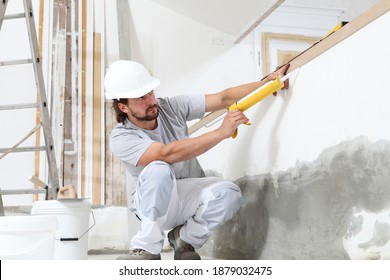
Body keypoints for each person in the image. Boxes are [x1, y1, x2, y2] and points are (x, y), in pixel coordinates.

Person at [105, 60, 289, 260]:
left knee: (230, 193)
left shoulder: (171, 107)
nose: (150, 100)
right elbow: (165, 154)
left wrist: (267, 83)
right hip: (155, 205)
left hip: (187, 195)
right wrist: (221, 132)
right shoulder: (121, 137)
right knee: (159, 168)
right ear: (123, 107)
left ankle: (184, 239)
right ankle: (147, 248)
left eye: (150, 92)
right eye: (141, 97)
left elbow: (223, 98)